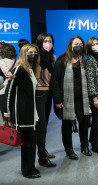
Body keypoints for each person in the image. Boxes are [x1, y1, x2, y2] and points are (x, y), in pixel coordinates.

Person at [4, 44, 41, 178]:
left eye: (35, 52)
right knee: (28, 143)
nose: (33, 54)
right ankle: (27, 171)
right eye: (30, 52)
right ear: (24, 53)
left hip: (31, 112)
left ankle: (29, 167)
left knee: (30, 142)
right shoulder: (19, 68)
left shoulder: (30, 69)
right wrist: (6, 111)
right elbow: (10, 91)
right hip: (22, 112)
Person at [51, 36, 91, 159]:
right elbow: (55, 81)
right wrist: (57, 100)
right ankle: (69, 149)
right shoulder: (62, 61)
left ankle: (84, 146)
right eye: (76, 43)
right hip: (66, 99)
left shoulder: (83, 61)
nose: (78, 45)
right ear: (70, 46)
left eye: (80, 43)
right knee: (67, 125)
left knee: (84, 123)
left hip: (81, 99)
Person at [34, 32, 57, 167]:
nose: (48, 43)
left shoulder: (53, 57)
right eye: (45, 41)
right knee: (41, 125)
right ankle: (42, 157)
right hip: (38, 94)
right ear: (40, 42)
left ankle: (43, 150)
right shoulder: (35, 57)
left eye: (50, 41)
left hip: (49, 94)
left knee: (45, 124)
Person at [86, 37, 98, 155]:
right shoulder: (89, 61)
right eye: (93, 44)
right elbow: (90, 81)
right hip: (96, 96)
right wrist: (94, 97)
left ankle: (93, 141)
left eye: (97, 43)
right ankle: (97, 146)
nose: (95, 45)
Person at [0, 44, 17, 126]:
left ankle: (8, 134)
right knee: (14, 113)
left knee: (5, 115)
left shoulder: (1, 62)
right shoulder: (17, 61)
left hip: (3, 91)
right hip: (15, 89)